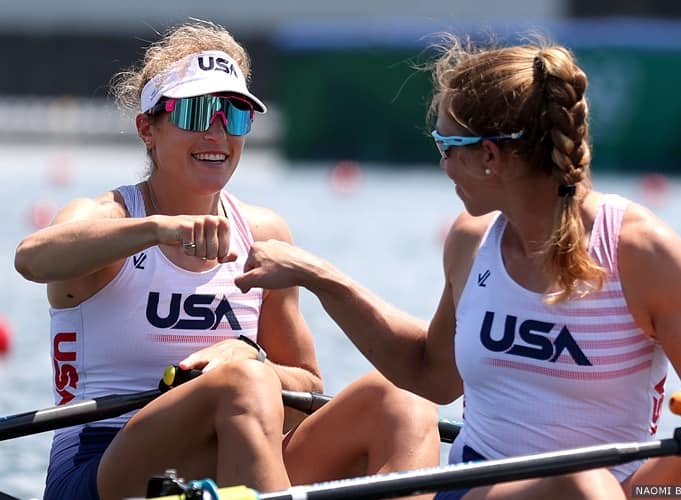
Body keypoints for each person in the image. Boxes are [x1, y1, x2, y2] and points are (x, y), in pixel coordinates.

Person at [233, 34, 681, 499]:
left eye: (446, 144)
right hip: (481, 486)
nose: (443, 161)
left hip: (616, 489)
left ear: (490, 156)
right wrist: (321, 277)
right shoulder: (471, 242)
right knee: (574, 483)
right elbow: (432, 375)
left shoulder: (643, 253)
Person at [14, 20, 439, 500]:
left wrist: (248, 355)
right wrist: (158, 229)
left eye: (235, 116)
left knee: (401, 401)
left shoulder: (262, 233)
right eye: (198, 113)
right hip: (100, 465)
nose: (218, 133)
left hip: (235, 448)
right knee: (242, 384)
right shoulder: (103, 217)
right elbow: (31, 258)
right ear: (147, 129)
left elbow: (304, 391)